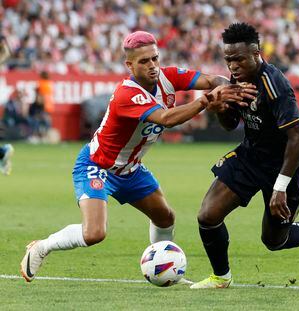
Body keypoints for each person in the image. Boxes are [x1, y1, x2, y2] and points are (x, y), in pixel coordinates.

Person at [20, 30, 256, 282]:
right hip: (97, 166)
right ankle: (41, 247)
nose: (153, 66)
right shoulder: (126, 93)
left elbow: (213, 80)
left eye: (155, 58)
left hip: (130, 169)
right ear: (129, 65)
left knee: (165, 217)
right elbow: (166, 118)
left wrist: (229, 89)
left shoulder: (168, 76)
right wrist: (208, 101)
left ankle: (163, 268)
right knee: (94, 234)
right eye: (144, 61)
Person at [190, 23, 299, 289]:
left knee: (274, 241)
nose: (233, 66)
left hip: (286, 164)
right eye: (228, 60)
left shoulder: (275, 85)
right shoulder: (237, 80)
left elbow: (297, 139)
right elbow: (230, 122)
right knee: (208, 215)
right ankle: (221, 277)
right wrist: (220, 107)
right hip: (251, 156)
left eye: (238, 59)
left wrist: (279, 188)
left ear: (256, 53)